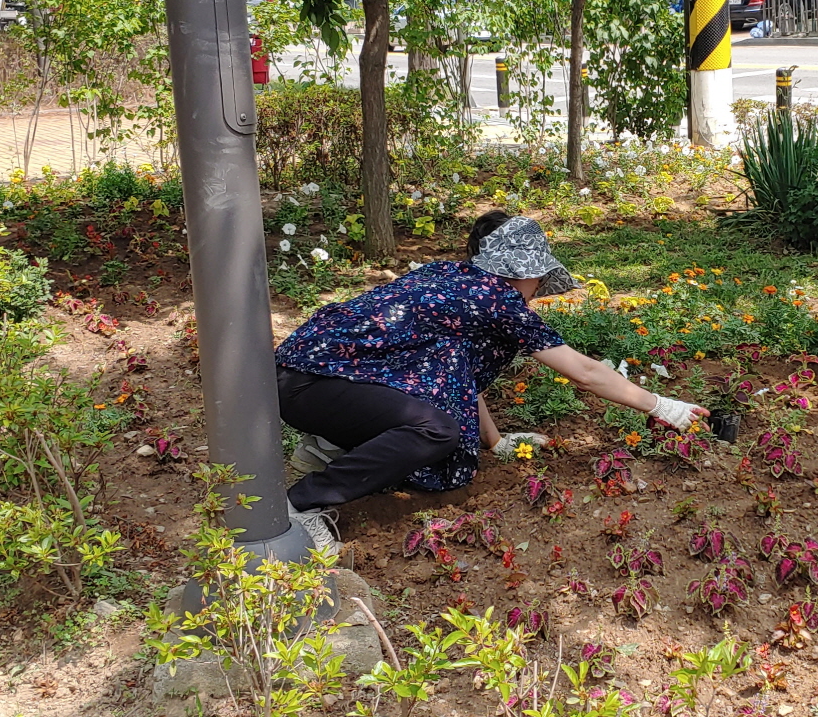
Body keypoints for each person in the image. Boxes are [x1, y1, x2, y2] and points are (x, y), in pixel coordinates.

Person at [273, 211, 705, 526]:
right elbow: (584, 372)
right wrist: (663, 406)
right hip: (314, 385)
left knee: (439, 420)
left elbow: (457, 375)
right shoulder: (497, 302)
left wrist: (494, 441)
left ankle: (328, 445)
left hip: (297, 377)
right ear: (525, 273)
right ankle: (300, 505)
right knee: (436, 432)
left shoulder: (450, 276)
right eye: (539, 279)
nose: (538, 290)